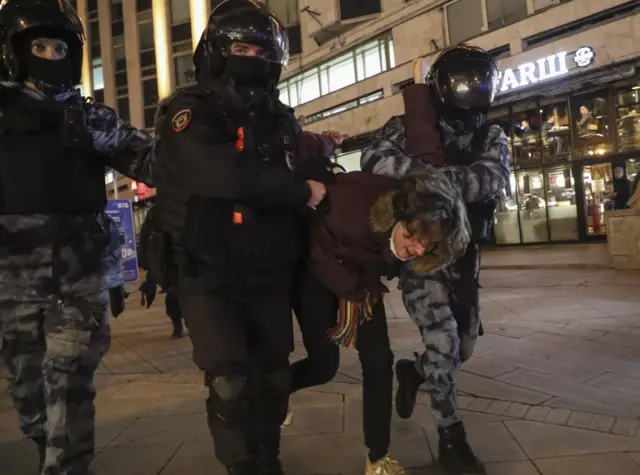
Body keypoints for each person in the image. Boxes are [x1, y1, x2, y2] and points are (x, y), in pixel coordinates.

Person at [150, 1, 326, 474]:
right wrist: (295, 190)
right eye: (242, 48)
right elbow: (218, 173)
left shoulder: (283, 119)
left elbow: (307, 179)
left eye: (261, 51)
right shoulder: (189, 109)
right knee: (228, 381)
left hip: (269, 269)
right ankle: (240, 465)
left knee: (274, 377)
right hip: (207, 270)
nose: (252, 58)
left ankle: (268, 459)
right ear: (218, 53)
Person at [0, 1, 155, 474]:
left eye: (59, 47)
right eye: (39, 46)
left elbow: (152, 161)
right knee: (29, 398)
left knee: (69, 386)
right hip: (11, 283)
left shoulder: (91, 120)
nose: (49, 55)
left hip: (80, 278)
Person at [361, 44, 510, 474]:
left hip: (463, 256)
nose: (472, 90)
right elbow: (373, 158)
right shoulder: (408, 127)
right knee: (443, 339)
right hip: (421, 255)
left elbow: (491, 180)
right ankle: (451, 439)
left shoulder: (491, 135)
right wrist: (445, 182)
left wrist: (427, 178)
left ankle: (415, 372)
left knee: (461, 348)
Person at [138, 205, 185, 339]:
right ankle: (178, 325)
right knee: (174, 296)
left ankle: (180, 324)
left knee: (177, 296)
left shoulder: (158, 210)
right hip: (168, 259)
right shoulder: (157, 211)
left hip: (175, 258)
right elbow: (145, 235)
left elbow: (145, 235)